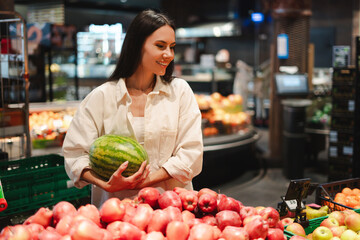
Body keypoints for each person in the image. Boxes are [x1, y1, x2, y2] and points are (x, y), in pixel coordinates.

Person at [63, 9, 203, 208]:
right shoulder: (101, 97)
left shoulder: (180, 92)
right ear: (137, 46)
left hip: (172, 209)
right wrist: (106, 184)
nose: (169, 54)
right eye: (160, 46)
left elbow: (191, 153)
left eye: (172, 47)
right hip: (117, 211)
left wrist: (144, 182)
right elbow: (75, 154)